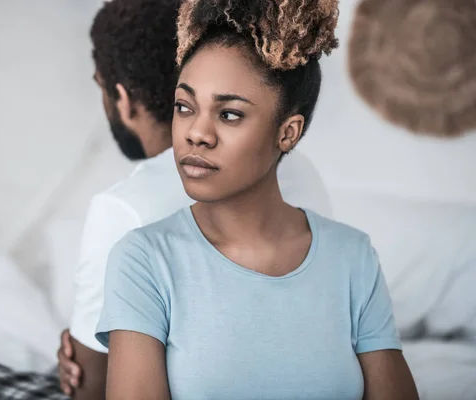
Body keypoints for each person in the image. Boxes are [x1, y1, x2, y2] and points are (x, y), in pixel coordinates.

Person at [0, 0, 332, 399]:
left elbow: (89, 389)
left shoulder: (126, 207)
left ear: (121, 97)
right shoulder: (295, 164)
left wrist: (83, 361)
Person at [93, 0, 419, 399]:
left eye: (229, 114)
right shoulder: (143, 260)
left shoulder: (353, 257)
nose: (197, 133)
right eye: (184, 106)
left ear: (288, 132)